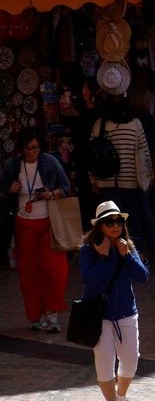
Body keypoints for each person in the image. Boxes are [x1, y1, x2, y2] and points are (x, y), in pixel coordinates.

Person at [80, 200, 150, 401]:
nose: (115, 225)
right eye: (109, 221)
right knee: (105, 364)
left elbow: (142, 277)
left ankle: (121, 396)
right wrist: (102, 257)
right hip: (99, 316)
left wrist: (126, 255)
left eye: (119, 221)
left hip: (127, 313)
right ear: (99, 226)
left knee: (131, 361)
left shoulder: (126, 246)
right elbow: (90, 282)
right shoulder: (88, 251)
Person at [3, 130, 71, 332]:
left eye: (36, 148)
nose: (33, 152)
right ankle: (35, 315)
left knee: (54, 269)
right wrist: (10, 188)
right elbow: (3, 185)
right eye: (28, 148)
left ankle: (52, 313)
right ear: (21, 149)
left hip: (49, 223)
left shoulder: (49, 162)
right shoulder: (13, 165)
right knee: (29, 270)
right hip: (24, 223)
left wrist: (52, 193)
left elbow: (65, 186)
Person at [91, 96, 155, 261]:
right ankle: (135, 254)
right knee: (133, 221)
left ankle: (114, 254)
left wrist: (93, 179)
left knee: (111, 222)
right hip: (132, 181)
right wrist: (149, 176)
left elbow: (92, 155)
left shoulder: (100, 124)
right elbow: (144, 152)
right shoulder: (135, 124)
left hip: (107, 180)